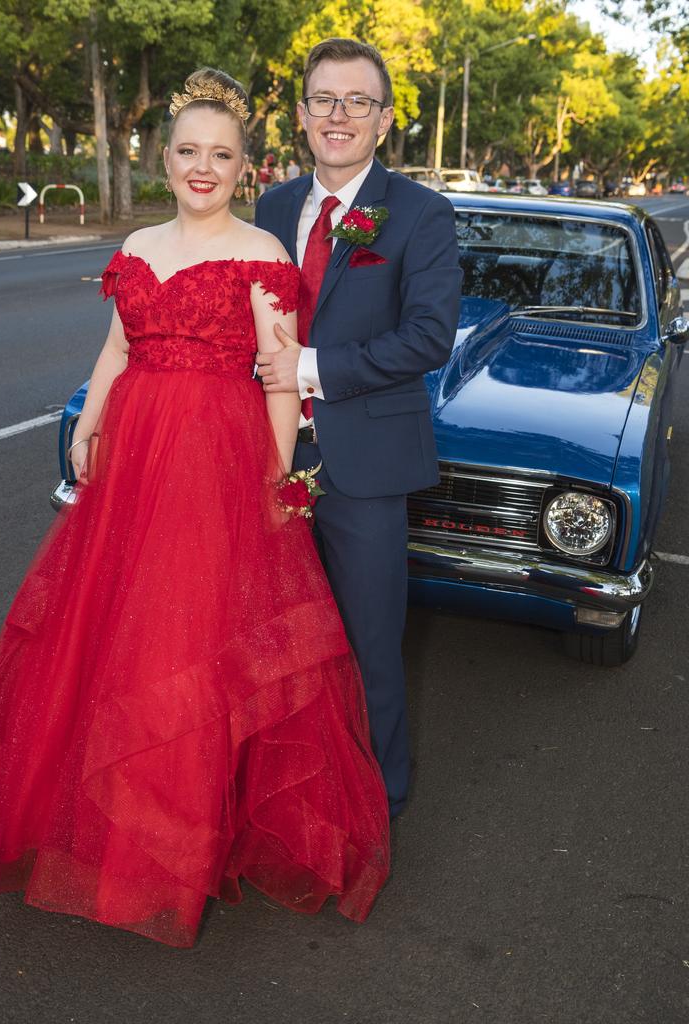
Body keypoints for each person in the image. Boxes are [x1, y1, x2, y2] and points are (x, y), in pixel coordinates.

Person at [0, 67, 390, 949]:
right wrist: (88, 423)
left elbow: (281, 380)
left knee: (189, 639)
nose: (202, 167)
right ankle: (98, 821)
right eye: (188, 151)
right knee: (109, 633)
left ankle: (170, 840)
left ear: (245, 165)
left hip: (216, 466)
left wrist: (277, 482)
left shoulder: (262, 256)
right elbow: (113, 347)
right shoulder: (138, 244)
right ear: (165, 159)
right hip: (133, 461)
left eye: (221, 154)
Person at [255, 39, 462, 820]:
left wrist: (309, 369)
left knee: (369, 645)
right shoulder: (274, 207)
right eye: (324, 100)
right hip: (271, 451)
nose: (338, 116)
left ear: (383, 120)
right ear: (303, 113)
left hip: (365, 467)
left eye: (358, 102)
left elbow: (427, 338)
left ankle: (379, 805)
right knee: (274, 642)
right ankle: (289, 797)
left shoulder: (419, 213)